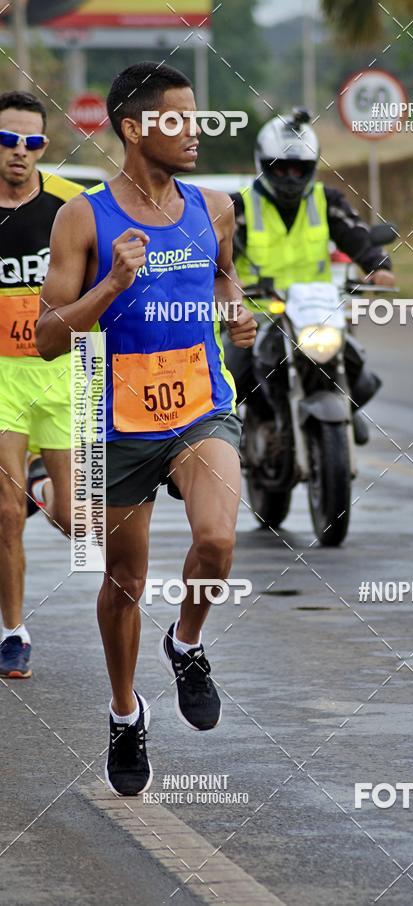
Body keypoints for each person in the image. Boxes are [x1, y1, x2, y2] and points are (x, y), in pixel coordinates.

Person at [36, 63, 256, 796]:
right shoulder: (83, 218)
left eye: (198, 119)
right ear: (135, 129)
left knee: (218, 540)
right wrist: (111, 286)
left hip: (200, 407)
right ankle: (125, 712)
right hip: (119, 419)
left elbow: (224, 275)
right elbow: (44, 337)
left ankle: (187, 643)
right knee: (124, 581)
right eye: (179, 120)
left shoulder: (215, 207)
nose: (195, 132)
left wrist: (236, 307)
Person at [228, 108, 396, 441]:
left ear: (312, 167)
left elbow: (356, 234)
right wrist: (226, 283)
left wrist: (380, 268)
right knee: (227, 380)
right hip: (260, 315)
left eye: (299, 169)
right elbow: (218, 254)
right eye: (281, 168)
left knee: (355, 363)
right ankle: (228, 441)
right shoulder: (240, 207)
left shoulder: (326, 200)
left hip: (315, 311)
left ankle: (346, 405)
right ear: (263, 163)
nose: (290, 178)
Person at [0, 91, 82, 679]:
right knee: (5, 512)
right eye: (7, 141)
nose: (19, 153)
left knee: (76, 521)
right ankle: (12, 631)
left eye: (31, 143)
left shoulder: (70, 206)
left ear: (44, 148)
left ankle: (39, 485)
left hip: (65, 373)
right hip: (2, 377)